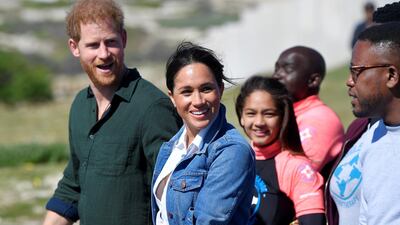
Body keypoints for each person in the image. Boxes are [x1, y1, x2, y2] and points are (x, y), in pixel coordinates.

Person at [42, 0, 182, 225]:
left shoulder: (152, 108)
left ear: (124, 40)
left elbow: (178, 192)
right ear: (74, 47)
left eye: (111, 42)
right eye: (93, 45)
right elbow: (74, 183)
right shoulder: (79, 105)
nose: (104, 53)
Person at [151, 42, 255, 225]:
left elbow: (210, 220)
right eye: (186, 92)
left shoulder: (232, 151)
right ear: (172, 97)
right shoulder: (170, 148)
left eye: (206, 89)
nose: (198, 101)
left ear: (220, 90)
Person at [327, 22, 400, 225]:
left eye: (357, 71)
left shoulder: (394, 153)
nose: (349, 81)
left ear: (392, 75)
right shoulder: (377, 131)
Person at [235, 76, 325, 225]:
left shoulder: (296, 168)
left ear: (283, 117)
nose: (259, 123)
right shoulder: (234, 159)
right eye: (251, 113)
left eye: (269, 114)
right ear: (241, 117)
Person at [272, 46, 344, 177]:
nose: (276, 75)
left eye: (287, 69)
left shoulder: (320, 119)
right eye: (276, 69)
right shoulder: (282, 115)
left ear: (313, 81)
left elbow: (298, 174)